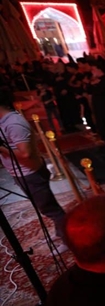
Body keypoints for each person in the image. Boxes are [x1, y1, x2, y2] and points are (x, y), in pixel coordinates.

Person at [0, 87, 66, 244]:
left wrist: (1, 147)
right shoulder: (4, 122)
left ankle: (69, 239)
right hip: (22, 173)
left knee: (51, 209)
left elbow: (25, 154)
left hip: (30, 174)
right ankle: (62, 232)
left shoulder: (13, 123)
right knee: (47, 208)